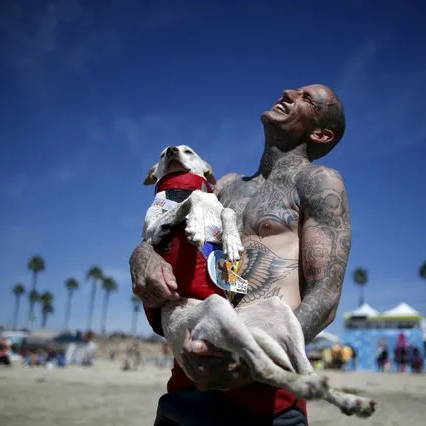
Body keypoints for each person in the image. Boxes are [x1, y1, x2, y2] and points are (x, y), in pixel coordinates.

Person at [130, 84, 349, 426]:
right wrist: (142, 254)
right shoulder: (225, 186)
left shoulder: (318, 182)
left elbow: (325, 296)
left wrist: (251, 361)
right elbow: (164, 231)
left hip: (264, 398)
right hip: (188, 381)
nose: (289, 92)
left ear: (321, 134)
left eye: (306, 98)